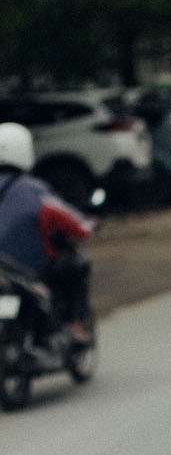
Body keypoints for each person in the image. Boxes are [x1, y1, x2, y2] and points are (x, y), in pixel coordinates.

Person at [0, 122, 94, 339]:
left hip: (4, 272)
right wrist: (89, 225)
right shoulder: (35, 190)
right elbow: (76, 225)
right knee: (75, 267)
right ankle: (75, 325)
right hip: (31, 268)